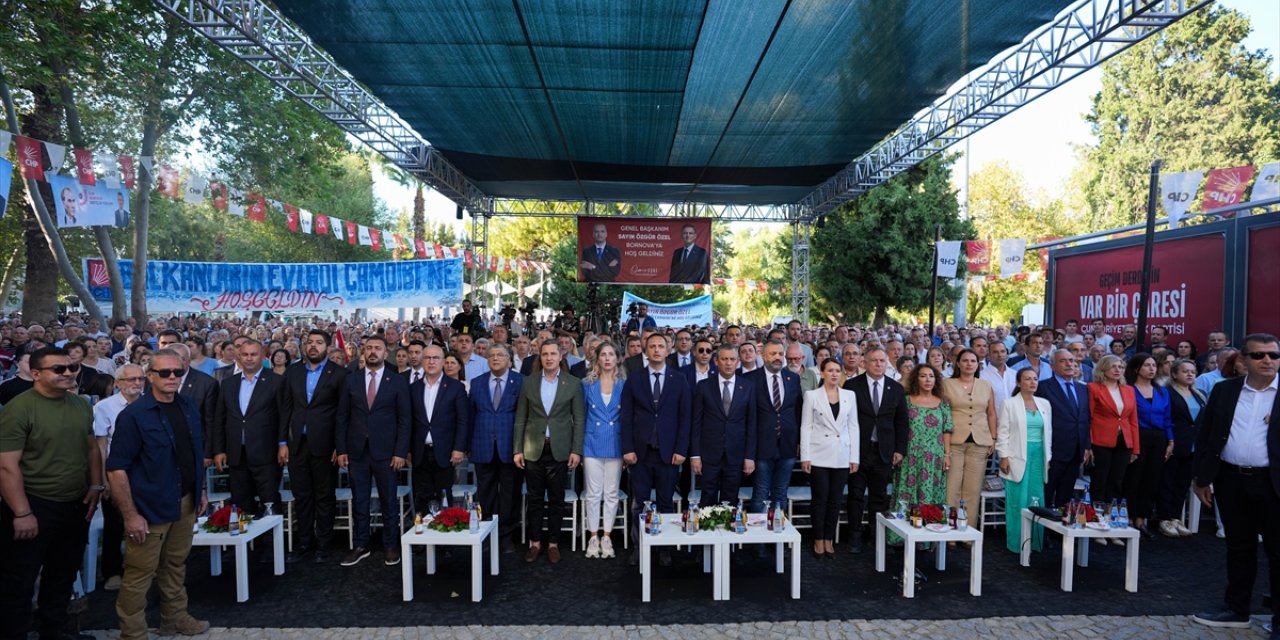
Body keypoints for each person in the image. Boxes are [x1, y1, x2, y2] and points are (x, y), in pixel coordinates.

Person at [0, 346, 102, 640]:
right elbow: (7, 467)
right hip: (33, 504)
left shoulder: (81, 404)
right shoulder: (19, 409)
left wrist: (96, 485)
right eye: (59, 369)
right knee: (19, 579)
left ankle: (54, 631)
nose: (68, 373)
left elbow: (91, 446)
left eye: (72, 368)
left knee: (63, 573)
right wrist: (22, 512)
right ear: (35, 374)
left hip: (74, 504)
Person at [106, 350, 208, 640]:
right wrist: (130, 515)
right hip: (149, 506)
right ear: (150, 376)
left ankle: (174, 619)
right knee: (140, 573)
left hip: (185, 500)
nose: (173, 377)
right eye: (165, 373)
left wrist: (200, 490)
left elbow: (193, 453)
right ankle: (133, 633)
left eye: (177, 372)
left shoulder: (188, 406)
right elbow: (116, 468)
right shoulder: (134, 416)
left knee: (175, 565)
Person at [1191, 333, 1280, 632]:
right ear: (1243, 360)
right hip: (1231, 479)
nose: (1267, 360)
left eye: (1273, 355)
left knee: (1277, 551)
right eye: (1259, 355)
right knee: (1238, 547)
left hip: (1273, 484)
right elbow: (1206, 434)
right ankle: (1237, 609)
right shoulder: (1225, 391)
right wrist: (1202, 478)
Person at [336, 335, 411, 567]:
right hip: (357, 451)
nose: (373, 352)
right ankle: (361, 545)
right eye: (368, 348)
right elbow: (342, 417)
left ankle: (390, 545)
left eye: (377, 348)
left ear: (384, 353)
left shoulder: (397, 381)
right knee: (360, 500)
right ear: (363, 352)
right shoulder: (351, 380)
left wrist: (400, 452)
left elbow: (404, 420)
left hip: (387, 453)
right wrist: (341, 449)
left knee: (389, 501)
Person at [620, 332, 691, 566]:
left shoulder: (679, 380)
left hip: (669, 453)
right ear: (645, 350)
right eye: (652, 346)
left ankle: (664, 548)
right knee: (638, 503)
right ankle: (639, 546)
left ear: (668, 349)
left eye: (661, 346)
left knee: (665, 502)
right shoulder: (634, 379)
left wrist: (682, 449)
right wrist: (627, 448)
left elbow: (685, 418)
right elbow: (627, 416)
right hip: (640, 452)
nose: (657, 350)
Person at [513, 341, 585, 564]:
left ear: (561, 356)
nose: (549, 357)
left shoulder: (572, 383)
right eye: (545, 354)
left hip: (560, 448)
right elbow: (520, 418)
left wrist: (576, 449)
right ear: (540, 357)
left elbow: (579, 419)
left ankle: (553, 543)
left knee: (556, 498)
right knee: (534, 498)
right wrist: (517, 449)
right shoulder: (529, 382)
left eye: (553, 353)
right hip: (533, 448)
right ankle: (535, 542)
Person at [278, 329, 346, 564]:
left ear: (327, 347)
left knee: (324, 496)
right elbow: (285, 409)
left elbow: (342, 413)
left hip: (326, 445)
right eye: (309, 343)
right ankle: (305, 542)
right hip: (297, 444)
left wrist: (340, 445)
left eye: (318, 342)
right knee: (302, 495)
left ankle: (324, 544)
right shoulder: (293, 372)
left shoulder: (338, 374)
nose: (313, 346)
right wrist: (282, 442)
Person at [211, 340, 284, 526]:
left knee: (269, 502)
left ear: (263, 356)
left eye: (254, 354)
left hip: (266, 453)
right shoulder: (228, 384)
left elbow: (284, 417)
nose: (249, 358)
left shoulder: (276, 381)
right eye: (245, 354)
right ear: (238, 356)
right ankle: (247, 548)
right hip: (236, 454)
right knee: (241, 503)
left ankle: (270, 548)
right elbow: (219, 419)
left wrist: (283, 445)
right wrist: (219, 450)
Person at [843, 346, 908, 554]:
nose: (879, 364)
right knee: (856, 495)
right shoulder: (852, 386)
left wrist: (900, 449)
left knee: (879, 497)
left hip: (884, 451)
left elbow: (902, 422)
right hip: (858, 450)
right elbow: (844, 419)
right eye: (874, 361)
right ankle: (855, 536)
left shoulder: (895, 388)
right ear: (865, 362)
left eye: (882, 361)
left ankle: (877, 536)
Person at [93, 364, 147, 591]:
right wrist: (103, 478)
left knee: (146, 521)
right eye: (130, 379)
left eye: (140, 379)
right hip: (116, 472)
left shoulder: (150, 403)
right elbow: (100, 444)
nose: (136, 383)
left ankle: (141, 569)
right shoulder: (104, 407)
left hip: (145, 473)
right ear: (118, 383)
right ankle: (113, 571)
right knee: (115, 524)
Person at [801, 358, 859, 558]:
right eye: (830, 370)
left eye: (837, 370)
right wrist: (805, 456)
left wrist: (855, 457)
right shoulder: (812, 396)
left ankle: (828, 539)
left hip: (842, 454)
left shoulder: (849, 395)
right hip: (818, 454)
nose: (834, 374)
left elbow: (853, 427)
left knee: (835, 500)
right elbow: (806, 426)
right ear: (822, 373)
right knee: (820, 499)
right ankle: (818, 539)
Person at [468, 343, 523, 551]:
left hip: (510, 446)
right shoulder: (477, 382)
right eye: (491, 355)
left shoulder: (520, 382)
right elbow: (471, 414)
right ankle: (486, 532)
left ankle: (507, 535)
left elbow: (523, 416)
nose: (495, 358)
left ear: (509, 359)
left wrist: (521, 447)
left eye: (500, 355)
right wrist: (468, 445)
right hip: (483, 444)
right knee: (485, 492)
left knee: (510, 492)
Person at [692, 344, 757, 507]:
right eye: (724, 359)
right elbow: (696, 423)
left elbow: (751, 424)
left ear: (738, 362)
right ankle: (707, 532)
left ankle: (728, 530)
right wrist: (695, 455)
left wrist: (749, 456)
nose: (728, 363)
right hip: (709, 454)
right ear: (716, 361)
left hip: (736, 454)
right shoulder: (704, 386)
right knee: (707, 498)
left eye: (732, 359)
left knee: (730, 500)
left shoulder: (748, 387)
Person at [408, 344, 469, 517]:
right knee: (422, 496)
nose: (431, 362)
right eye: (427, 358)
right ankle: (422, 540)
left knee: (444, 496)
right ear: (422, 361)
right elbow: (408, 421)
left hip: (446, 451)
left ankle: (444, 539)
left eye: (435, 358)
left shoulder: (455, 387)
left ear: (443, 362)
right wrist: (407, 450)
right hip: (419, 451)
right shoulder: (413, 388)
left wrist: (459, 448)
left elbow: (463, 420)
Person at [997, 368, 1053, 554]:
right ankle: (1016, 543)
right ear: (1019, 383)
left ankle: (1035, 542)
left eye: (1035, 379)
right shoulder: (1009, 403)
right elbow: (1003, 432)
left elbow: (1049, 433)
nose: (1032, 382)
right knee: (1017, 500)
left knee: (1036, 497)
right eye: (1027, 379)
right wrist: (1003, 457)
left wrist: (1048, 457)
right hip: (1016, 456)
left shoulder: (1044, 404)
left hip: (1039, 456)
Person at [892, 364, 951, 540]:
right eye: (923, 376)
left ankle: (927, 538)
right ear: (916, 379)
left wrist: (947, 455)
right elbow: (899, 427)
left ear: (936, 380)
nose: (927, 380)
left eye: (931, 376)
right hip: (910, 455)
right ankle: (900, 537)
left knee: (931, 496)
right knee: (905, 495)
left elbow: (947, 430)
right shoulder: (906, 400)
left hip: (934, 457)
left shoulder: (943, 402)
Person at [1087, 354, 1140, 546]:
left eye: (1120, 366)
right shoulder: (1093, 388)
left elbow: (1133, 420)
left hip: (1124, 442)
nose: (1118, 370)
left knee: (1117, 483)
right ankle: (1096, 524)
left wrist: (1135, 447)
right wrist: (1088, 444)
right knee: (1099, 482)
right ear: (1103, 369)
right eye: (1113, 366)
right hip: (1100, 441)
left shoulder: (1129, 390)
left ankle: (1111, 524)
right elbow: (1089, 418)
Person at [580, 341, 625, 559]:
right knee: (593, 493)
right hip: (592, 442)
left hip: (616, 443)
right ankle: (592, 536)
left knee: (612, 493)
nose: (607, 358)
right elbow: (580, 416)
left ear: (617, 358)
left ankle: (607, 536)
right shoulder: (586, 384)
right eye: (603, 354)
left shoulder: (625, 385)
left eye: (611, 354)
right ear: (597, 358)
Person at [748, 341, 802, 522]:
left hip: (787, 446)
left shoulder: (792, 378)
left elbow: (798, 411)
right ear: (764, 355)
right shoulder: (751, 379)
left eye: (780, 353)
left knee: (780, 492)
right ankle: (759, 544)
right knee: (761, 493)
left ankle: (778, 537)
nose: (777, 357)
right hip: (762, 446)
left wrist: (799, 442)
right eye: (773, 354)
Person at [1123, 353, 1174, 539]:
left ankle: (1141, 519)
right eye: (1147, 365)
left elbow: (1168, 419)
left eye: (1154, 365)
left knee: (1152, 479)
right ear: (1137, 368)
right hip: (1138, 436)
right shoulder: (1128, 389)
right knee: (1133, 478)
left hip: (1159, 438)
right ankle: (1127, 518)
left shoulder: (1162, 391)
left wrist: (1171, 440)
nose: (1152, 369)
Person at [942, 349, 997, 517]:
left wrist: (993, 438)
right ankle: (950, 532)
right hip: (954, 442)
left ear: (978, 364)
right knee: (952, 488)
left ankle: (968, 532)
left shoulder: (986, 385)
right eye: (965, 360)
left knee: (972, 490)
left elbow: (991, 413)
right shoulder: (946, 384)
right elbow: (943, 414)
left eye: (973, 361)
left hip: (980, 442)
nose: (969, 364)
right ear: (957, 363)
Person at [1036, 349, 1091, 509]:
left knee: (1065, 497)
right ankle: (1042, 533)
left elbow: (1085, 418)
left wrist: (1086, 445)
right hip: (1052, 450)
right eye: (1063, 361)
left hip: (1076, 451)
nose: (1069, 364)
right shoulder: (1043, 387)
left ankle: (1060, 532)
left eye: (1072, 360)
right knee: (1045, 494)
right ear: (1052, 366)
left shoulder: (1083, 388)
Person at [1159, 358, 1203, 538]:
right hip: (1172, 443)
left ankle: (1176, 517)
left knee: (1182, 484)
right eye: (1185, 371)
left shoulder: (1199, 394)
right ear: (1175, 374)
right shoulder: (1166, 392)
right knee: (1167, 482)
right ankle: (1164, 518)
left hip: (1193, 446)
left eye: (1193, 371)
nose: (1190, 374)